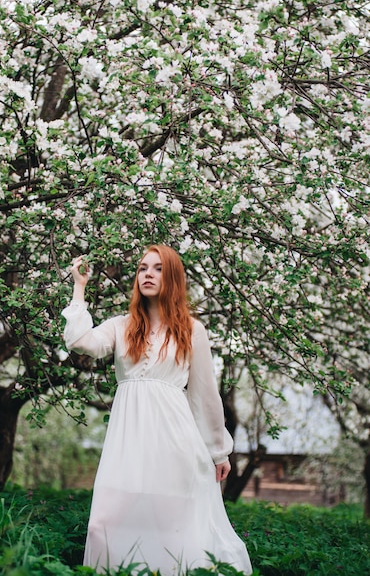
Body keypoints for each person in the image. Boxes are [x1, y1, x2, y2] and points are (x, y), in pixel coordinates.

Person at [62, 245, 252, 575]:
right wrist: (79, 287)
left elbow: (204, 395)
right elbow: (80, 342)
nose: (148, 274)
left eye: (158, 268)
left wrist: (219, 452)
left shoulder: (192, 331)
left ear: (173, 278)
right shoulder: (122, 326)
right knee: (105, 523)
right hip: (128, 439)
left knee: (170, 527)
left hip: (175, 440)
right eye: (142, 268)